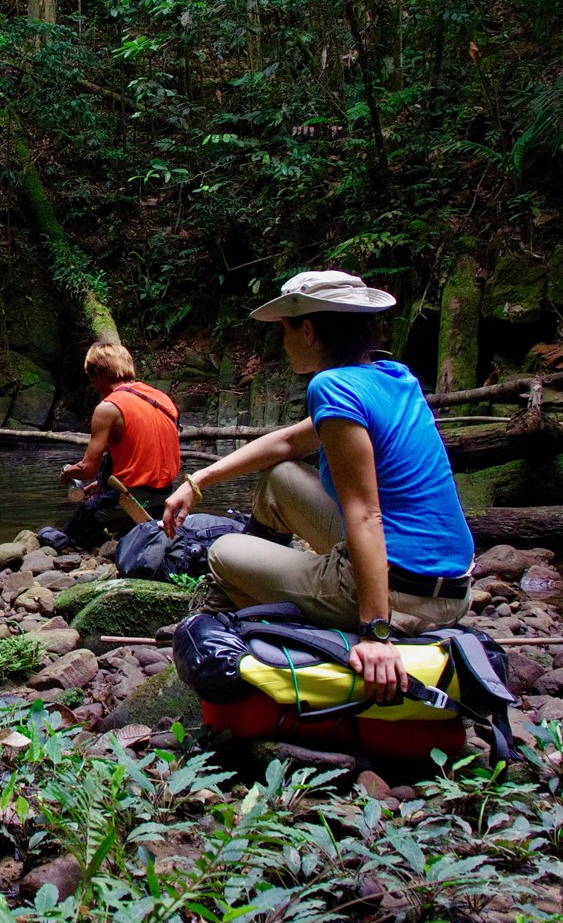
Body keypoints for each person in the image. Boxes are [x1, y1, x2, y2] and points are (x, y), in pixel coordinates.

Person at [160, 270, 474, 704]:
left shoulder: (331, 386)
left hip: (401, 594)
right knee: (281, 478)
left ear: (307, 330)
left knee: (223, 552)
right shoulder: (393, 375)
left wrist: (376, 634)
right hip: (451, 584)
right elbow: (289, 442)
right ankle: (261, 589)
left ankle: (231, 606)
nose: (283, 342)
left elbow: (366, 514)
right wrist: (197, 481)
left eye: (285, 330)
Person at [57, 342, 182, 548]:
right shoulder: (162, 399)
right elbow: (145, 451)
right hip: (166, 496)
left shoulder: (108, 407)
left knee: (72, 534)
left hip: (133, 500)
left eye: (91, 377)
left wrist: (67, 472)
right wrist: (104, 485)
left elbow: (88, 469)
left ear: (97, 374)